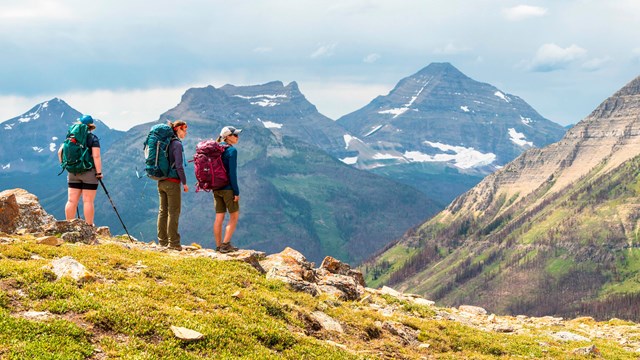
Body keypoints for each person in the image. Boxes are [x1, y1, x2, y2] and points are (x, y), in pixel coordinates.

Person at [58, 114, 102, 226]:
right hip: (89, 173)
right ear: (91, 126)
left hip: (72, 172)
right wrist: (99, 173)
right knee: (87, 201)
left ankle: (68, 226)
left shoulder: (71, 137)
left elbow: (60, 152)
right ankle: (89, 227)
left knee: (72, 201)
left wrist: (66, 166)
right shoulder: (92, 138)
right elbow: (96, 156)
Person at [157, 120, 189, 251]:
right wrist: (185, 183)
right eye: (184, 130)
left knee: (162, 212)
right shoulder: (177, 144)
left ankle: (162, 241)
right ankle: (174, 243)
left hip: (161, 181)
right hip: (173, 182)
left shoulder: (165, 143)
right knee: (174, 212)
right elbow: (179, 166)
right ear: (177, 129)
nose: (186, 132)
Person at [214, 126, 242, 253]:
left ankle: (218, 246)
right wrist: (236, 191)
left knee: (219, 217)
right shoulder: (232, 151)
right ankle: (225, 245)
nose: (237, 137)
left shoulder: (217, 149)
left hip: (216, 188)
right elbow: (232, 173)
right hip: (227, 189)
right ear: (228, 137)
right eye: (235, 135)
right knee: (234, 216)